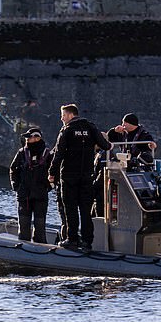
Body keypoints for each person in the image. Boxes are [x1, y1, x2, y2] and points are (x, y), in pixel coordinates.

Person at [48, 104, 113, 250]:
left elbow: (59, 154)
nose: (62, 119)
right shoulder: (91, 127)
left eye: (63, 115)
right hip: (87, 176)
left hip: (69, 176)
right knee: (85, 210)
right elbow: (106, 145)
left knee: (70, 209)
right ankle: (87, 241)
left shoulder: (67, 130)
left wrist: (52, 173)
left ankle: (72, 239)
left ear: (71, 115)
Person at [9, 128, 52, 243]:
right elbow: (13, 169)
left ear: (37, 138)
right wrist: (16, 186)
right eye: (27, 137)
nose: (27, 139)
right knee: (23, 226)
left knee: (40, 227)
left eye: (30, 137)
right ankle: (23, 249)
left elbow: (54, 172)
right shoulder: (22, 152)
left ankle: (41, 250)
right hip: (24, 195)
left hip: (40, 195)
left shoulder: (48, 154)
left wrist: (49, 186)